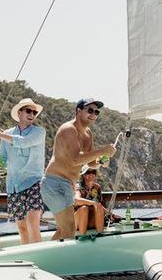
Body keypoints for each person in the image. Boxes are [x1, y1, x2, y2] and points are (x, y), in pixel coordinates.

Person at [43, 99, 117, 241]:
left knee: (64, 229)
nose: (93, 114)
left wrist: (102, 161)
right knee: (69, 228)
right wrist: (102, 151)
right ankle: (60, 261)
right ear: (78, 110)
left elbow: (90, 163)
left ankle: (50, 259)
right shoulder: (68, 129)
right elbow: (75, 159)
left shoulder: (88, 133)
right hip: (54, 183)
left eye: (96, 112)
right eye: (90, 110)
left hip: (68, 185)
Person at [0, 98, 47, 244]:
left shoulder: (39, 132)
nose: (32, 114)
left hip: (34, 182)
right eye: (28, 110)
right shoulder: (7, 133)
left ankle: (39, 257)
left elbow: (23, 141)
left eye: (34, 112)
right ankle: (28, 257)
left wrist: (0, 135)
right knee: (21, 226)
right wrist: (0, 168)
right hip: (13, 185)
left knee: (33, 221)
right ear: (19, 112)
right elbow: (1, 157)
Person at [74, 168, 108, 234]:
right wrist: (92, 203)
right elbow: (77, 200)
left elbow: (99, 205)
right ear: (83, 175)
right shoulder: (78, 186)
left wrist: (111, 214)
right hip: (78, 221)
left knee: (99, 207)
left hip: (92, 220)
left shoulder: (97, 187)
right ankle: (82, 236)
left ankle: (100, 234)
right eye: (88, 172)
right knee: (84, 208)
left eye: (93, 172)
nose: (91, 174)